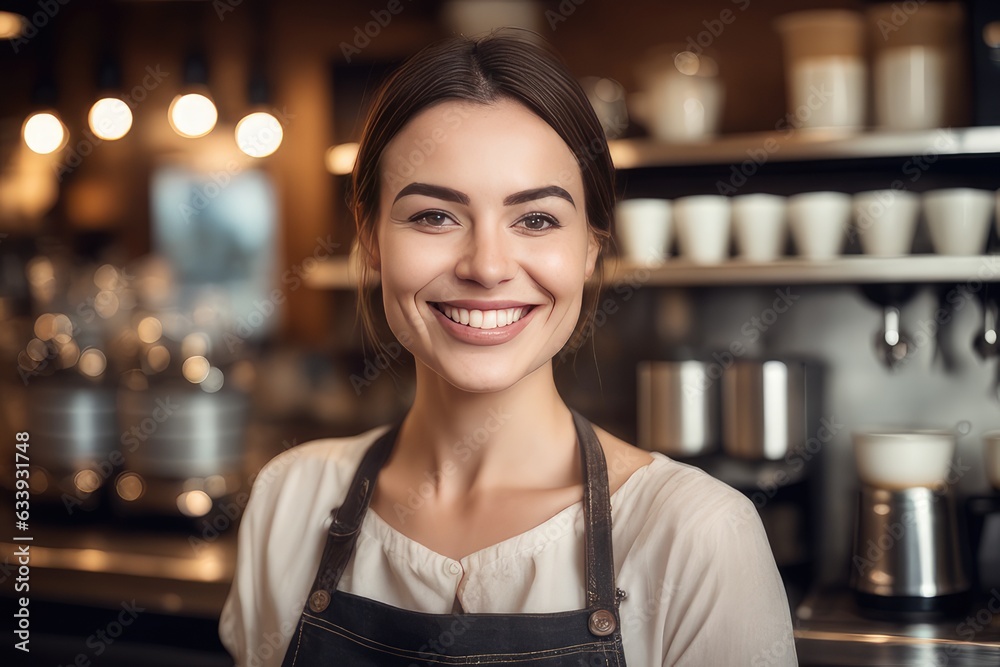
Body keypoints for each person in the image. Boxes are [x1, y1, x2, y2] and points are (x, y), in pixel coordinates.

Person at [219, 30, 797, 667]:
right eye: (435, 216)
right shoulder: (290, 501)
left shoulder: (698, 534)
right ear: (373, 241)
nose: (487, 267)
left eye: (537, 219)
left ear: (590, 248)